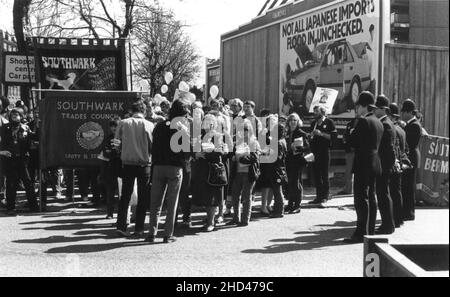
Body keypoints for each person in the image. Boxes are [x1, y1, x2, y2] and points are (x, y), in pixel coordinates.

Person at [147, 99, 191, 244]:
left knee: (155, 202)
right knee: (172, 202)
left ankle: (151, 233)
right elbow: (187, 151)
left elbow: (153, 146)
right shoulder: (181, 129)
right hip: (175, 167)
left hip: (158, 166)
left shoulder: (159, 126)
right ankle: (168, 234)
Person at [344, 92, 383, 244]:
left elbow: (352, 142)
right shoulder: (378, 121)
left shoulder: (363, 121)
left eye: (358, 105)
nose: (357, 108)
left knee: (360, 198)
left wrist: (350, 134)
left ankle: (361, 233)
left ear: (364, 106)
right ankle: (370, 230)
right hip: (375, 162)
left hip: (363, 163)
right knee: (371, 197)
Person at [115, 100, 154, 237]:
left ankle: (121, 225)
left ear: (132, 111)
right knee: (143, 197)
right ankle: (139, 228)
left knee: (125, 196)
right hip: (144, 165)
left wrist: (124, 150)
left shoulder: (123, 123)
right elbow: (152, 146)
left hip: (127, 164)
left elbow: (116, 144)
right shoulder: (150, 125)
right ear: (143, 111)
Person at [191, 112, 229, 232]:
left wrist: (207, 153)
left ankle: (211, 222)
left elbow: (222, 152)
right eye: (206, 122)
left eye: (210, 123)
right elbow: (192, 149)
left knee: (212, 198)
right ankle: (208, 219)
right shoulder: (200, 136)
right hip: (202, 170)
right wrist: (196, 154)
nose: (208, 125)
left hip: (213, 170)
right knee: (205, 197)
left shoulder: (218, 136)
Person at [0, 108, 38, 215]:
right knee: (11, 184)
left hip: (22, 160)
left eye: (17, 115)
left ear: (21, 116)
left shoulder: (25, 128)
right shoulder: (4, 128)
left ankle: (33, 206)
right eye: (12, 115)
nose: (14, 117)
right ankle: (11, 207)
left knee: (28, 183)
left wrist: (38, 126)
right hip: (10, 159)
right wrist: (2, 151)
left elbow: (35, 137)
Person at [228, 119, 260, 227]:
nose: (242, 131)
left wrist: (240, 159)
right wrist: (233, 157)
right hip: (237, 172)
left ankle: (245, 219)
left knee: (246, 197)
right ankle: (235, 218)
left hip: (248, 173)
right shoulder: (236, 141)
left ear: (249, 130)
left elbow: (254, 158)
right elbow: (231, 155)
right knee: (235, 195)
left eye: (245, 129)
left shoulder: (254, 142)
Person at [374, 95, 397, 235]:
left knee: (383, 194)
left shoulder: (385, 124)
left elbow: (387, 149)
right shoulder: (387, 122)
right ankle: (387, 224)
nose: (375, 110)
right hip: (385, 163)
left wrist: (383, 166)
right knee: (383, 194)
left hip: (384, 164)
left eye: (376, 108)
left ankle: (388, 225)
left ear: (382, 109)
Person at [309, 106, 337, 206]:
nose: (315, 113)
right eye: (314, 112)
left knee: (324, 174)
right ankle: (318, 196)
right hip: (315, 152)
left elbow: (333, 137)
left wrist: (321, 134)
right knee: (316, 175)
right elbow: (310, 138)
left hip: (324, 151)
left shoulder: (329, 122)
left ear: (322, 112)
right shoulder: (314, 123)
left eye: (317, 111)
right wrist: (311, 135)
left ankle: (325, 196)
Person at [401, 99, 422, 222]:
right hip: (411, 157)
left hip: (411, 158)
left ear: (409, 112)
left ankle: (408, 213)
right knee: (407, 185)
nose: (402, 114)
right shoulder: (411, 124)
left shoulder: (413, 125)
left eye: (403, 111)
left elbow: (410, 143)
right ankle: (407, 211)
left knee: (408, 186)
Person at [389, 103, 409, 228]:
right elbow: (406, 148)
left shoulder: (394, 129)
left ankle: (395, 219)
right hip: (400, 162)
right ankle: (399, 218)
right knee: (397, 192)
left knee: (392, 193)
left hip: (394, 163)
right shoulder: (401, 129)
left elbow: (394, 147)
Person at [285, 113, 310, 214]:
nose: (293, 122)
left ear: (298, 122)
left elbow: (307, 147)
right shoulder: (286, 132)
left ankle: (297, 205)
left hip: (297, 161)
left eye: (295, 120)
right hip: (288, 160)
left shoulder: (301, 133)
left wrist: (297, 148)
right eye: (291, 120)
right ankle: (290, 204)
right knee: (290, 183)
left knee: (296, 183)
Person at [98, 118, 122, 219]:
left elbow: (124, 152)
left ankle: (123, 214)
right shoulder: (108, 139)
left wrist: (115, 153)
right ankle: (110, 213)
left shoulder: (124, 138)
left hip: (122, 169)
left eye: (115, 125)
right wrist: (116, 153)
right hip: (110, 169)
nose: (113, 128)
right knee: (110, 192)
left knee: (122, 193)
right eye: (112, 126)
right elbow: (106, 153)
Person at [264, 123, 288, 218]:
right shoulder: (282, 141)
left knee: (277, 191)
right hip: (279, 169)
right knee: (277, 190)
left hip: (276, 170)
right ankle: (278, 209)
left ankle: (279, 211)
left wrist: (268, 154)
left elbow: (277, 157)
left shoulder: (278, 142)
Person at [338, 116, 360, 196]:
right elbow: (345, 134)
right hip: (349, 151)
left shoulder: (363, 122)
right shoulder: (350, 123)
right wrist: (344, 140)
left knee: (358, 171)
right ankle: (348, 189)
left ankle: (356, 189)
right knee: (349, 170)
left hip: (359, 151)